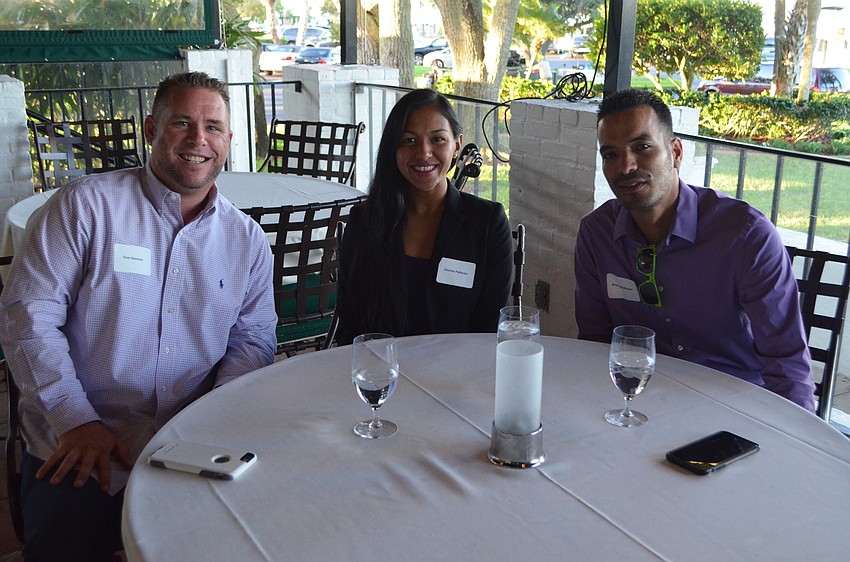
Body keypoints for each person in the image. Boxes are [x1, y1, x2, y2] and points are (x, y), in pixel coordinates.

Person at [0, 71, 277, 561]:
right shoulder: (85, 207)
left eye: (213, 127)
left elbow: (252, 339)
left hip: (191, 442)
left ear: (229, 141)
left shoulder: (246, 240)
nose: (198, 139)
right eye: (182, 123)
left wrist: (216, 418)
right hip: (79, 439)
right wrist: (74, 418)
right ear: (151, 129)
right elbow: (28, 317)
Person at [574, 88, 815, 412]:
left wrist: (793, 437)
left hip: (734, 406)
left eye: (642, 147)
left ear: (675, 152)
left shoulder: (745, 236)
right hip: (639, 403)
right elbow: (594, 343)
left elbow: (786, 363)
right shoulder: (597, 234)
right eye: (610, 155)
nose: (626, 166)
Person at [336, 89, 513, 345]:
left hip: (460, 365)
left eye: (437, 139)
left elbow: (489, 329)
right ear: (393, 148)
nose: (423, 152)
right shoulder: (365, 221)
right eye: (409, 140)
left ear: (457, 146)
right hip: (381, 365)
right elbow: (350, 325)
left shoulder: (487, 224)